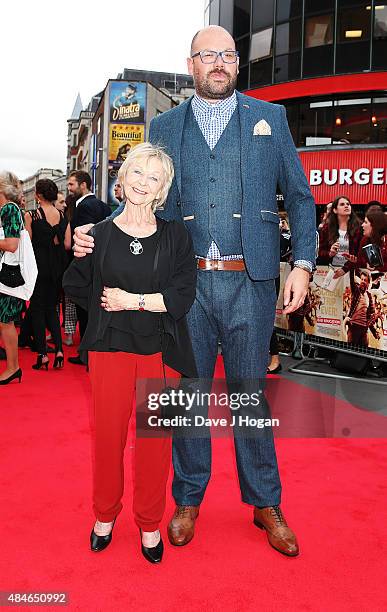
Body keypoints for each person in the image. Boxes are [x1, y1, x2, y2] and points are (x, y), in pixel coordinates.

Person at [73, 25, 317, 557]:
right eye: (208, 55)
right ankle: (187, 499)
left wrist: (301, 262)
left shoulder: (268, 119)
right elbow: (146, 191)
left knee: (249, 397)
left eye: (227, 54)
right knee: (186, 401)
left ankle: (265, 502)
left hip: (251, 282)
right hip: (186, 287)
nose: (219, 63)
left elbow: (300, 198)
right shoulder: (165, 124)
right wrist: (101, 232)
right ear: (192, 64)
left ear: (236, 63)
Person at [63, 143, 197, 563]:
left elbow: (182, 294)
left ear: (162, 190)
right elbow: (74, 285)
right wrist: (80, 250)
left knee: (155, 442)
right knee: (108, 438)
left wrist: (130, 301)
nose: (143, 183)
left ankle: (150, 523)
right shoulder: (97, 234)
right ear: (122, 179)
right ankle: (105, 516)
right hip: (110, 349)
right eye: (137, 172)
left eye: (153, 178)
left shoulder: (175, 234)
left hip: (160, 351)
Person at [24, 179, 71, 370]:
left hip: (38, 267)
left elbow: (27, 243)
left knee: (37, 309)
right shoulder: (62, 216)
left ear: (38, 195)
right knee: (52, 309)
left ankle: (43, 354)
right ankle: (59, 350)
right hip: (58, 268)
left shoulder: (31, 215)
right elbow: (67, 244)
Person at [67, 171, 111, 364]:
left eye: (71, 184)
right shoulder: (102, 204)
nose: (69, 188)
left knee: (85, 309)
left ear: (83, 185)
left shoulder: (84, 206)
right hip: (104, 265)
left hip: (88, 267)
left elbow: (86, 241)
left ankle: (87, 354)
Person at [0, 171, 23, 384]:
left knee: (6, 322)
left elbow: (12, 244)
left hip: (8, 276)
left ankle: (12, 367)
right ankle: (12, 366)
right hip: (7, 275)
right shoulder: (7, 209)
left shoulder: (9, 209)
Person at [318, 195, 362, 277]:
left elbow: (360, 254)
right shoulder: (327, 228)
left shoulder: (359, 228)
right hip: (330, 271)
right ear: (335, 210)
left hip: (352, 272)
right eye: (342, 204)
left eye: (348, 204)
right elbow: (320, 251)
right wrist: (330, 253)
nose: (346, 206)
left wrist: (345, 269)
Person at [344, 269, 379, 346]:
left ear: (368, 282)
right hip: (353, 327)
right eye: (362, 279)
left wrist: (374, 332)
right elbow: (352, 279)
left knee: (364, 352)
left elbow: (370, 317)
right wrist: (352, 265)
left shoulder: (369, 296)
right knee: (351, 352)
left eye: (365, 280)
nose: (362, 281)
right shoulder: (356, 290)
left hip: (364, 329)